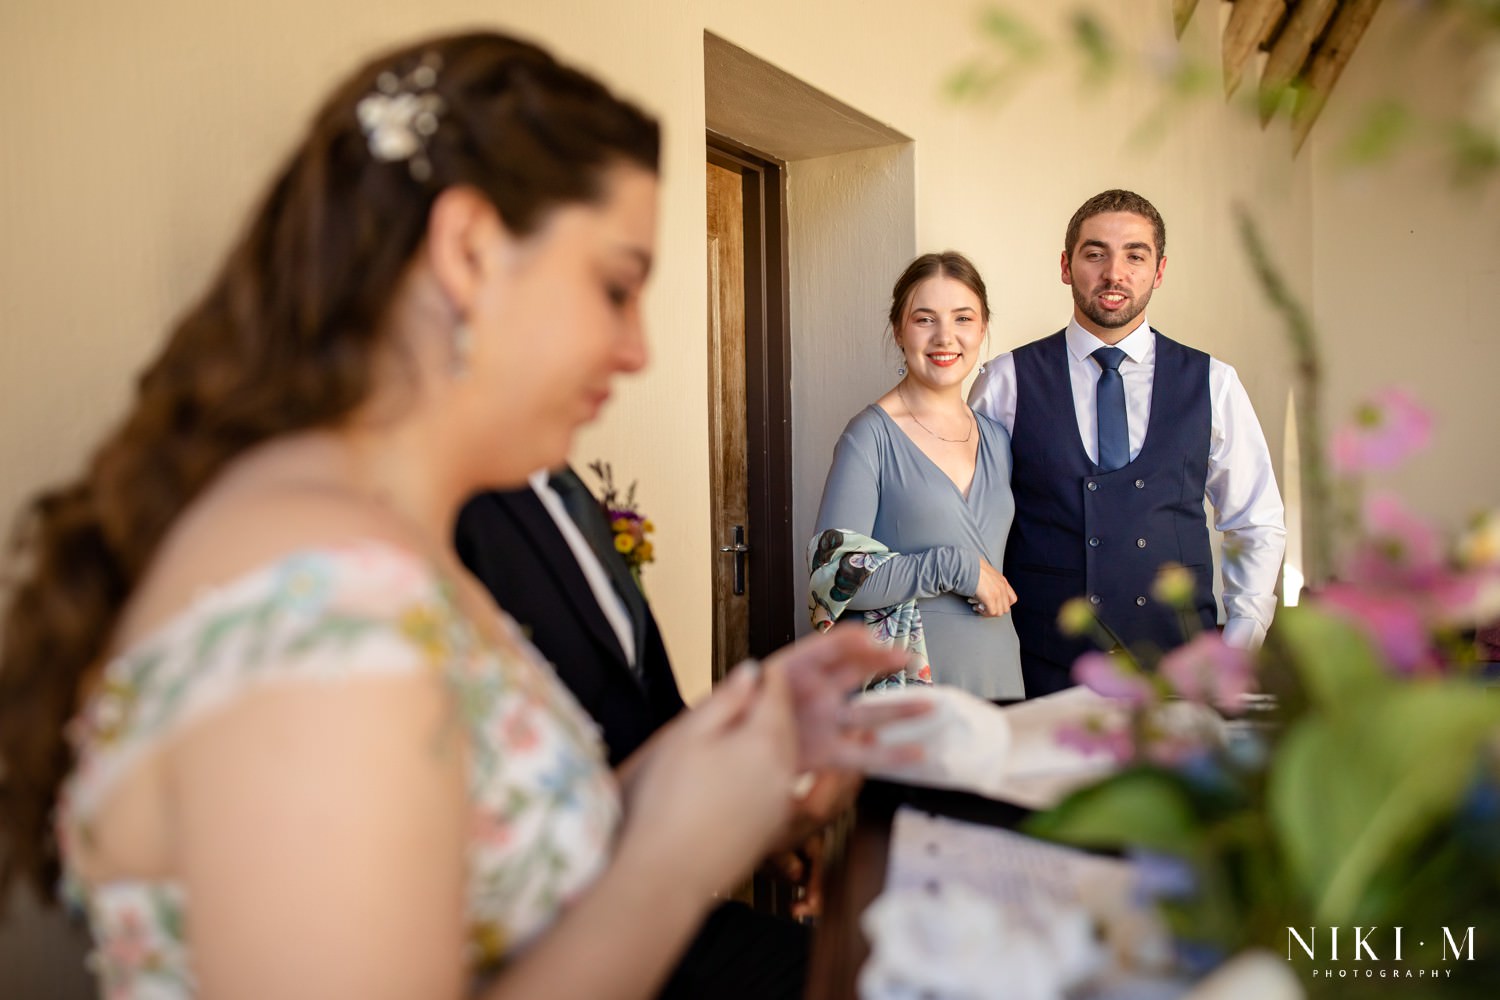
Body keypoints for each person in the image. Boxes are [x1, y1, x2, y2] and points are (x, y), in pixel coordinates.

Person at [0, 32, 917, 999]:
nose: (639, 348)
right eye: (615, 286)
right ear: (470, 250)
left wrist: (716, 762)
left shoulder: (376, 547)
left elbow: (471, 871)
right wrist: (677, 860)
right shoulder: (315, 600)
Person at [455, 469, 835, 999]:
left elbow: (636, 700)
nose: (633, 378)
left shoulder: (564, 491)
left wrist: (756, 810)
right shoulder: (449, 521)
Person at [969, 188, 1287, 698]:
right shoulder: (1005, 380)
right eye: (1095, 254)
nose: (1114, 273)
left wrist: (1238, 646)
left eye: (1135, 255)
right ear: (1066, 266)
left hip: (1182, 666)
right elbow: (972, 523)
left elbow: (1255, 521)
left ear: (1159, 271)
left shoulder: (1213, 382)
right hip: (1040, 665)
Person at [811, 252, 1024, 701]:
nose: (945, 337)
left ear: (982, 329)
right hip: (906, 697)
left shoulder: (998, 439)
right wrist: (956, 566)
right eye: (924, 319)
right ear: (899, 330)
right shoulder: (869, 437)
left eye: (963, 318)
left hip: (1000, 677)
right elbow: (833, 575)